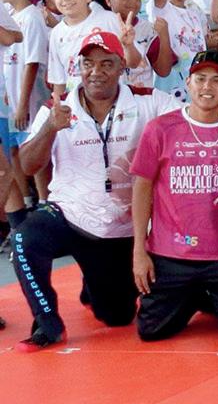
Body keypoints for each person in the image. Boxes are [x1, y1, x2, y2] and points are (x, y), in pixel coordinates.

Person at [11, 34, 178, 348]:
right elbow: (29, 166)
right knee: (23, 239)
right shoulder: (57, 108)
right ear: (78, 67)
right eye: (88, 64)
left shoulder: (148, 101)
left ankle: (92, 284)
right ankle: (47, 324)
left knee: (117, 316)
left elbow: (195, 117)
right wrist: (50, 129)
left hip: (123, 228)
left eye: (106, 64)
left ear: (121, 68)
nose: (96, 72)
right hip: (69, 215)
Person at [126, 49, 218, 342]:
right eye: (200, 79)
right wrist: (139, 251)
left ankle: (202, 294)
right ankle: (193, 294)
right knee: (151, 330)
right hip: (170, 253)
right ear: (188, 82)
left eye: (216, 80)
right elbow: (142, 187)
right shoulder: (160, 129)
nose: (207, 87)